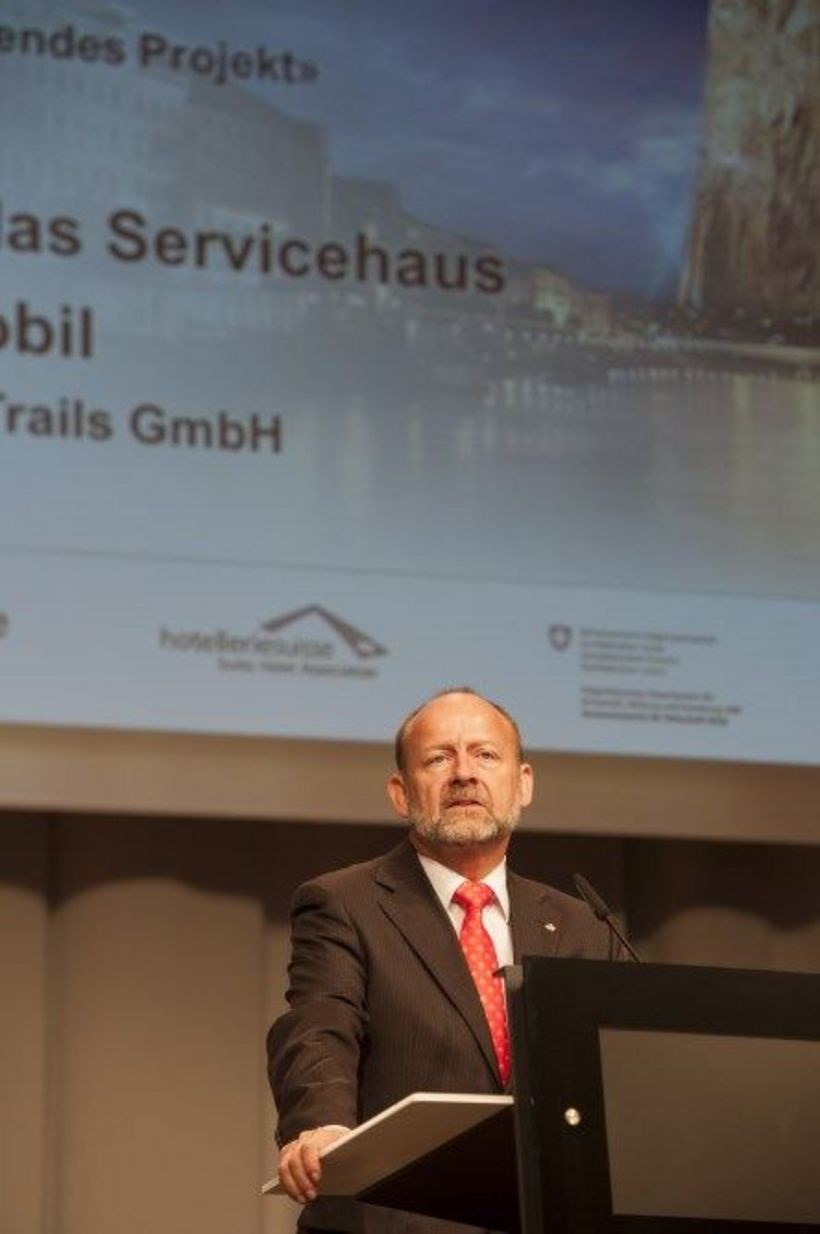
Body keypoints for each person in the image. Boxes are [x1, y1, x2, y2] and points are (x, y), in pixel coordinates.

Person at [268, 687, 623, 1232]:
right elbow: (319, 1028)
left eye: (485, 755)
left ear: (523, 783)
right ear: (400, 793)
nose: (464, 774)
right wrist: (323, 1128)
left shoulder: (581, 924)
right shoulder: (344, 903)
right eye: (438, 758)